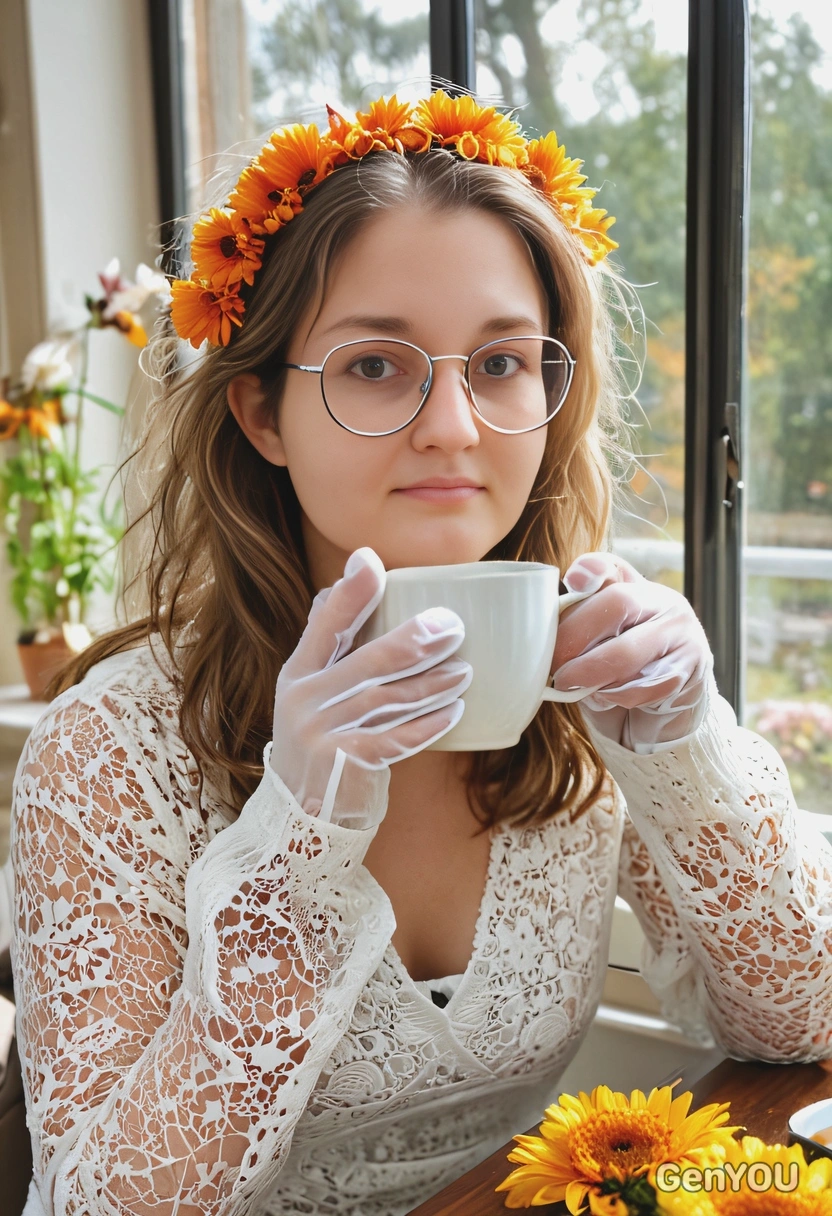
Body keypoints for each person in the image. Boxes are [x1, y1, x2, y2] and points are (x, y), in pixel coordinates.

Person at [4, 89, 832, 1216]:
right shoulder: (107, 752)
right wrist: (293, 837)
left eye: (500, 366)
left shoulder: (582, 685)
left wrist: (684, 747)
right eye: (376, 367)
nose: (453, 426)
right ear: (260, 415)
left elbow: (805, 1024)